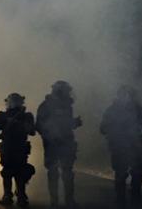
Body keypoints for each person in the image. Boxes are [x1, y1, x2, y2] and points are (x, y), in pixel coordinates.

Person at [100, 85, 142, 208]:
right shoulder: (113, 110)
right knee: (124, 173)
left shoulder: (134, 110)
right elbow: (103, 128)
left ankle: (128, 198)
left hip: (131, 146)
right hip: (121, 146)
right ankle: (126, 199)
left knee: (133, 172)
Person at [36, 80, 82, 208]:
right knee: (53, 172)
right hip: (52, 143)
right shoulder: (46, 106)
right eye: (66, 91)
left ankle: (69, 200)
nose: (68, 93)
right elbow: (39, 125)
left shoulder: (67, 106)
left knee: (67, 172)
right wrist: (50, 136)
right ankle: (54, 201)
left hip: (66, 142)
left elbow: (66, 124)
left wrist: (74, 123)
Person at [0, 93, 35, 207]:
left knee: (21, 171)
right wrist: (1, 134)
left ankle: (21, 193)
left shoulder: (27, 116)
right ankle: (7, 194)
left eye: (17, 101)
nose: (14, 103)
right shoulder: (2, 115)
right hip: (7, 147)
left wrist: (19, 124)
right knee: (7, 172)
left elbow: (32, 131)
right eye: (13, 101)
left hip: (20, 147)